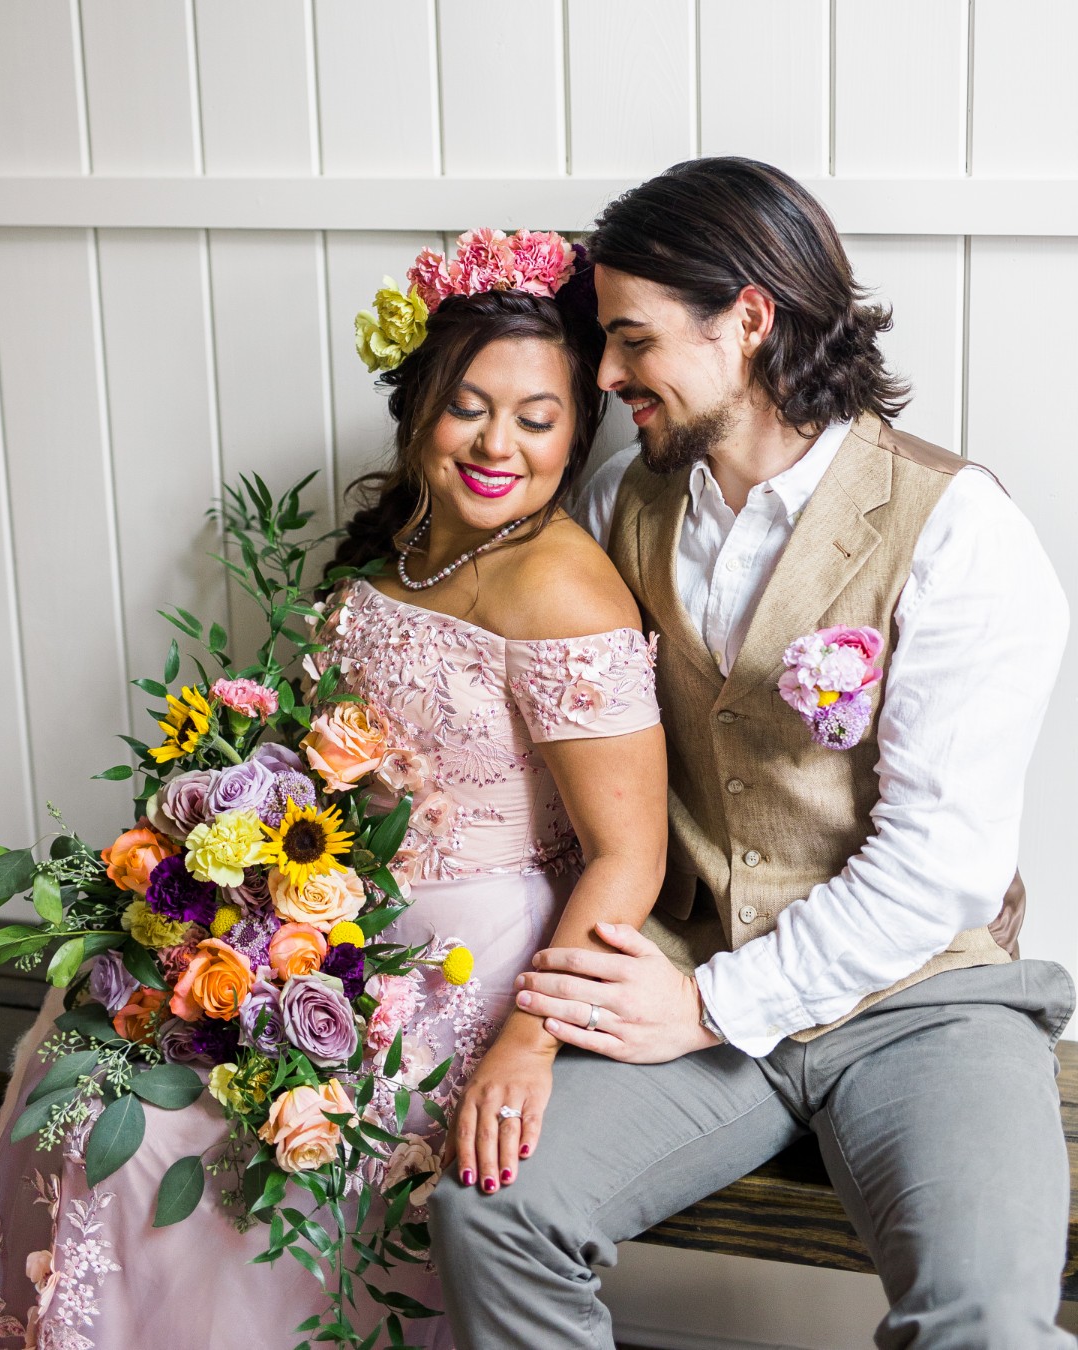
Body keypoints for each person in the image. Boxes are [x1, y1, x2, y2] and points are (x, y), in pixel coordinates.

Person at [427, 159, 1076, 1349]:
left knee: (985, 1319)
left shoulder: (962, 532)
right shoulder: (632, 495)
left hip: (923, 1002)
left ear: (751, 319)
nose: (607, 374)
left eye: (631, 340)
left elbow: (939, 868)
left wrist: (710, 1006)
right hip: (691, 961)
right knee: (492, 1216)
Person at [0, 234, 667, 1349]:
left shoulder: (560, 583)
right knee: (80, 1075)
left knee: (190, 1149)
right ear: (417, 408)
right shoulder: (402, 533)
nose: (498, 444)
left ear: (576, 433)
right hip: (325, 919)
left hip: (467, 961)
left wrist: (532, 1040)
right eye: (469, 406)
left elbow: (629, 853)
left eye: (538, 419)